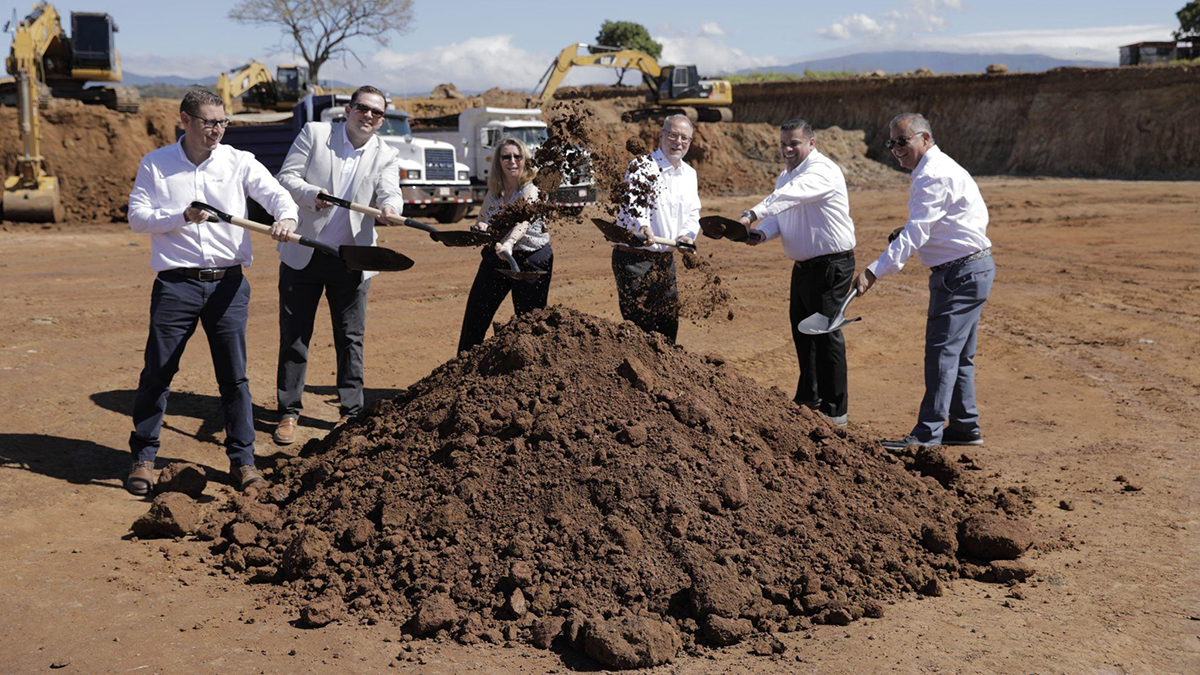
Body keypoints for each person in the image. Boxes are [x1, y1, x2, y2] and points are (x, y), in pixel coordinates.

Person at [126, 88, 298, 495]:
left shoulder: (239, 162)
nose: (217, 130)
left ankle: (243, 462)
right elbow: (137, 218)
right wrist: (182, 216)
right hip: (176, 285)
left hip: (229, 285)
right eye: (208, 122)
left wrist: (286, 217)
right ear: (184, 120)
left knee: (234, 379)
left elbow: (276, 195)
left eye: (223, 122)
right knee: (158, 372)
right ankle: (144, 458)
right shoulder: (157, 164)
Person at [853, 112, 995, 448]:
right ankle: (963, 427)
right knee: (959, 355)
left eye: (903, 141)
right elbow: (944, 221)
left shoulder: (932, 175)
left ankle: (926, 434)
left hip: (958, 274)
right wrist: (909, 232)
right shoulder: (940, 168)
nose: (896, 148)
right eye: (892, 143)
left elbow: (917, 232)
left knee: (942, 354)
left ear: (925, 139)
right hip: (973, 269)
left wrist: (874, 271)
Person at [272, 85, 403, 445]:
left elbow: (390, 190)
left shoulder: (385, 154)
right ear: (348, 110)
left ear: (381, 122)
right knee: (295, 337)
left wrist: (391, 208)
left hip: (352, 259)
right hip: (305, 252)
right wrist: (310, 195)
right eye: (363, 108)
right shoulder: (316, 134)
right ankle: (288, 411)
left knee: (350, 338)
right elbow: (286, 178)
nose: (369, 116)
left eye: (377, 113)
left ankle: (350, 413)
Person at [741, 118, 856, 426]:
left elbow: (789, 197)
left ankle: (836, 411)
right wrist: (761, 233)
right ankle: (809, 396)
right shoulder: (785, 177)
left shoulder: (821, 171)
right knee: (803, 332)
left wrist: (752, 214)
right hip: (804, 267)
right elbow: (780, 215)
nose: (787, 149)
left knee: (827, 334)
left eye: (794, 143)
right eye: (783, 144)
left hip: (832, 265)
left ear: (811, 143)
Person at [456, 137, 553, 352]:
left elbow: (524, 221)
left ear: (525, 160)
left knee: (529, 321)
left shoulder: (530, 189)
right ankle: (462, 366)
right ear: (498, 161)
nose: (512, 161)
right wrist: (482, 228)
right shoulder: (495, 191)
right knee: (476, 313)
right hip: (498, 255)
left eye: (517, 156)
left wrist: (508, 243)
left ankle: (532, 370)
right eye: (506, 156)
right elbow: (481, 218)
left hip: (531, 259)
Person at [611, 114, 700, 343]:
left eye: (684, 138)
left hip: (664, 260)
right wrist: (644, 226)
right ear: (661, 136)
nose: (678, 142)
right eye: (673, 135)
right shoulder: (642, 166)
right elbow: (634, 202)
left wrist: (687, 236)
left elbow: (693, 213)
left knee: (668, 327)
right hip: (634, 261)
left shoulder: (690, 174)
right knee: (640, 329)